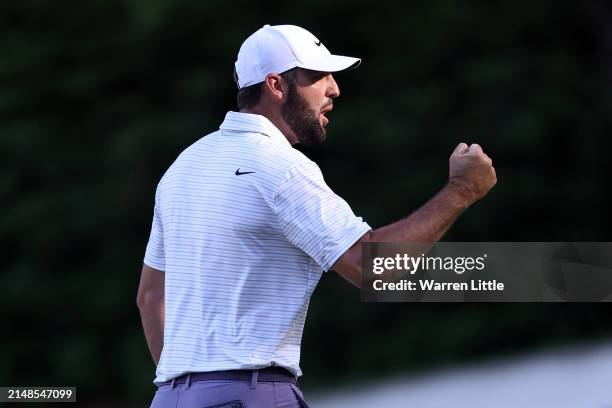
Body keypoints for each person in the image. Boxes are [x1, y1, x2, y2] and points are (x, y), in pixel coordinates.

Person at [137, 24, 496, 408]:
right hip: (250, 394)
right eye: (318, 76)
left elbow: (151, 296)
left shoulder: (182, 168)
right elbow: (371, 267)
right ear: (276, 85)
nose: (334, 89)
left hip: (170, 398)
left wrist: (194, 384)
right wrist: (462, 191)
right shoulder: (280, 166)